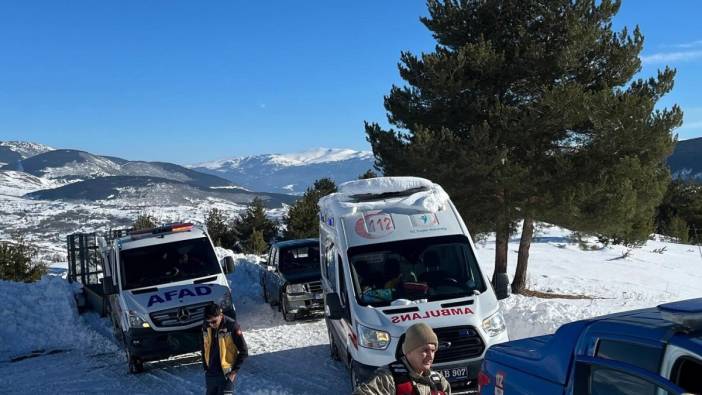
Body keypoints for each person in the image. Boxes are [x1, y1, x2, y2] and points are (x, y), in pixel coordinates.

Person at [353, 322, 451, 395]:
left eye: (433, 351)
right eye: (425, 350)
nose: (430, 356)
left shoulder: (439, 382)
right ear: (409, 351)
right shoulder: (388, 379)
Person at [202, 304, 248, 395]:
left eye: (214, 321)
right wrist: (205, 367)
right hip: (211, 374)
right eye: (209, 322)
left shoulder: (232, 326)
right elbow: (204, 347)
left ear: (221, 315)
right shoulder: (206, 326)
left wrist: (234, 372)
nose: (211, 324)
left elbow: (244, 351)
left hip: (226, 374)